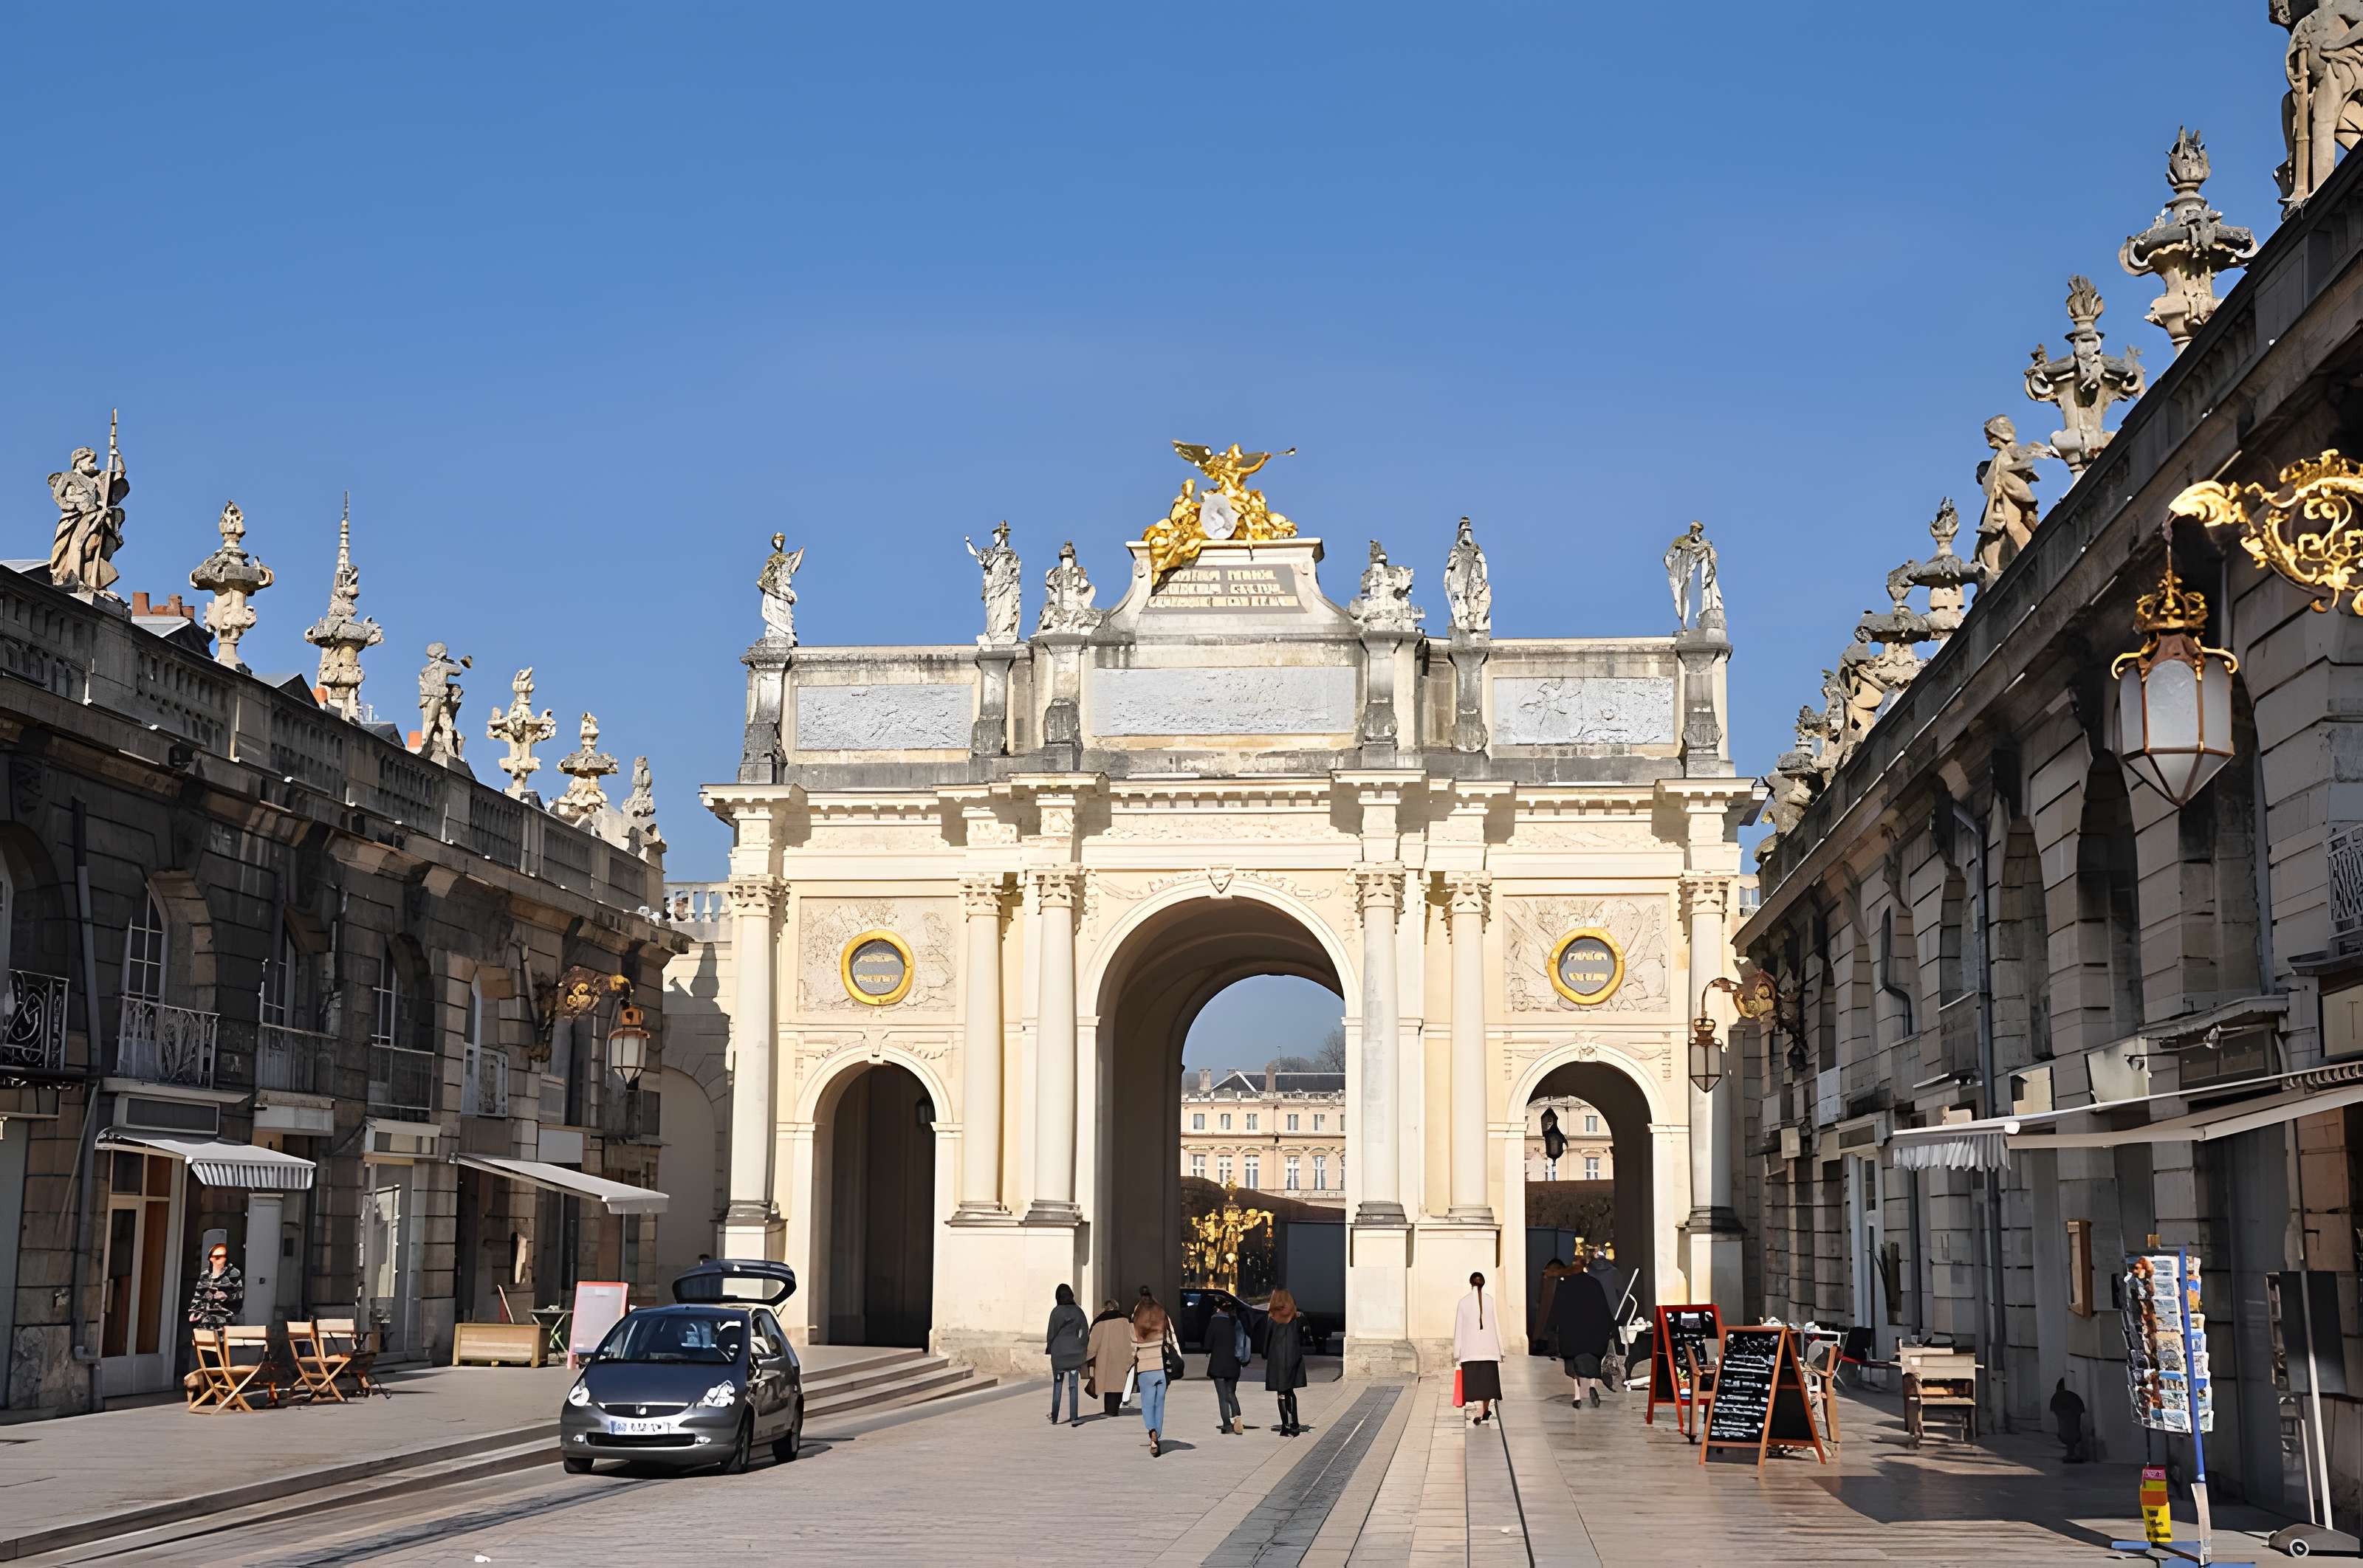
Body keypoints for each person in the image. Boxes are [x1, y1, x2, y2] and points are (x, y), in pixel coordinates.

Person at [1550, 1260, 1613, 1408]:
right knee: (1594, 1360)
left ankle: (1577, 1396)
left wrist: (1551, 1329)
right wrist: (1610, 1327)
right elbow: (1604, 1309)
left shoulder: (1564, 1285)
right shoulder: (1595, 1284)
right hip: (1594, 1335)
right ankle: (1592, 1386)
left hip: (1571, 1334)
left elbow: (1556, 1310)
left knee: (1572, 1363)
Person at [1454, 1271, 1504, 1425]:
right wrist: (1500, 1349)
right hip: (1489, 1349)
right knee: (1487, 1384)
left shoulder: (1463, 1302)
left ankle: (1479, 1411)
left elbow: (1459, 1329)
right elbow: (1496, 1325)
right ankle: (1484, 1411)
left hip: (1470, 1351)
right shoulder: (1490, 1300)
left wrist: (1457, 1352)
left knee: (1474, 1384)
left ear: (1471, 1283)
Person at [1131, 1289, 1176, 1457]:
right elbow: (1171, 1339)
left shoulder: (1136, 1318)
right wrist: (1177, 1357)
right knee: (1160, 1404)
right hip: (1160, 1367)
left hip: (1145, 1368)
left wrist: (1131, 1363)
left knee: (1148, 1403)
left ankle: (1152, 1434)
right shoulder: (1162, 1315)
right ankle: (1158, 1432)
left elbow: (1132, 1346)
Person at [1264, 1288, 1309, 1437]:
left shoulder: (1273, 1318)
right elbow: (1303, 1337)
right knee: (1290, 1391)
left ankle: (1286, 1426)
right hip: (1293, 1357)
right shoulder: (1296, 1317)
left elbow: (1267, 1339)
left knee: (1281, 1393)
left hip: (1277, 1359)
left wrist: (1265, 1353)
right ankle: (1294, 1423)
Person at [1046, 1284, 1090, 1427]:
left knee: (1058, 1384)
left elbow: (1051, 1333)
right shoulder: (1078, 1311)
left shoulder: (1056, 1312)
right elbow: (1085, 1331)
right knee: (1073, 1385)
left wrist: (1050, 1348)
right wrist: (1082, 1347)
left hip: (1059, 1354)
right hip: (1075, 1354)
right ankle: (1074, 1416)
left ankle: (1055, 1417)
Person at [1207, 1296, 1251, 1435]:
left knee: (1222, 1397)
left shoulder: (1215, 1321)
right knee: (1231, 1393)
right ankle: (1237, 1418)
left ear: (1218, 1308)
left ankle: (1227, 1425)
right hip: (1234, 1364)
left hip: (1218, 1365)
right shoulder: (1236, 1321)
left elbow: (1207, 1344)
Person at [1086, 1299, 1131, 1417]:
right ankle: (1114, 1409)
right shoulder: (1126, 1320)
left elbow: (1093, 1344)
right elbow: (1132, 1338)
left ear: (1105, 1308)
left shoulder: (1099, 1322)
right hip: (1121, 1357)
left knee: (1109, 1385)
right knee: (1118, 1384)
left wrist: (1088, 1356)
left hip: (1105, 1359)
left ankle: (1110, 1410)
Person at [188, 1241, 243, 1334]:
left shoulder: (233, 1273)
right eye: (217, 1257)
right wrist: (194, 1312)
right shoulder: (205, 1275)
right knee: (203, 1340)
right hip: (205, 1320)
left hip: (225, 1320)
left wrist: (227, 1296)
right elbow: (197, 1296)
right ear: (211, 1259)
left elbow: (239, 1295)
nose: (221, 1259)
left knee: (221, 1341)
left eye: (223, 1256)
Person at [2051, 1378, 2090, 1464]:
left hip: (2067, 1425)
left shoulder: (2059, 1398)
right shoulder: (2067, 1398)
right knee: (2071, 1435)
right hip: (2072, 1421)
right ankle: (2071, 1454)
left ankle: (2071, 1454)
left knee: (2068, 1435)